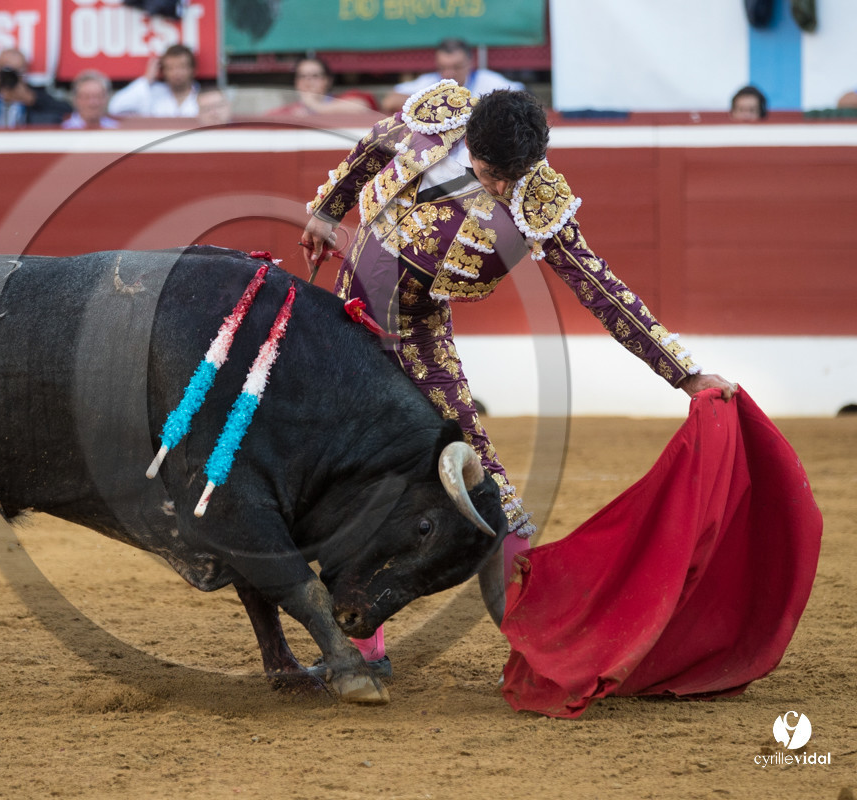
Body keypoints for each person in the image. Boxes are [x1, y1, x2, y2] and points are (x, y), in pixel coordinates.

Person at [299, 85, 735, 667]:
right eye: (491, 171)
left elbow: (600, 289)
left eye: (514, 174)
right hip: (342, 323)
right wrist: (327, 211)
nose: (502, 187)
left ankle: (541, 648)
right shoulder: (435, 119)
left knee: (484, 483)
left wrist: (686, 375)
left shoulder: (536, 200)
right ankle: (359, 643)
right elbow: (373, 146)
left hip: (420, 340)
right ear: (469, 140)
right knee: (328, 471)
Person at [380, 39, 523, 114]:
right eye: (443, 68)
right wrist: (440, 103)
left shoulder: (487, 80)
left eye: (456, 67)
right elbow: (389, 102)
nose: (449, 73)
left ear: (470, 63)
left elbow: (522, 96)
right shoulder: (430, 82)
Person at [0, 48, 70, 128]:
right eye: (7, 70)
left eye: (17, 71)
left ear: (25, 71)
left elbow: (67, 112)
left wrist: (31, 99)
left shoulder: (35, 94)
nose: (11, 76)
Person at [108, 43, 199, 118]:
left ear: (192, 69)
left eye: (181, 67)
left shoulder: (203, 96)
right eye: (170, 68)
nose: (176, 73)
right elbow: (115, 107)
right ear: (163, 71)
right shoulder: (153, 93)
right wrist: (147, 79)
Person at [266, 57, 377, 117]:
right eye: (303, 76)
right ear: (296, 82)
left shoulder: (342, 100)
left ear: (327, 80)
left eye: (315, 76)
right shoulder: (289, 111)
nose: (308, 81)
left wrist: (315, 106)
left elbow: (362, 107)